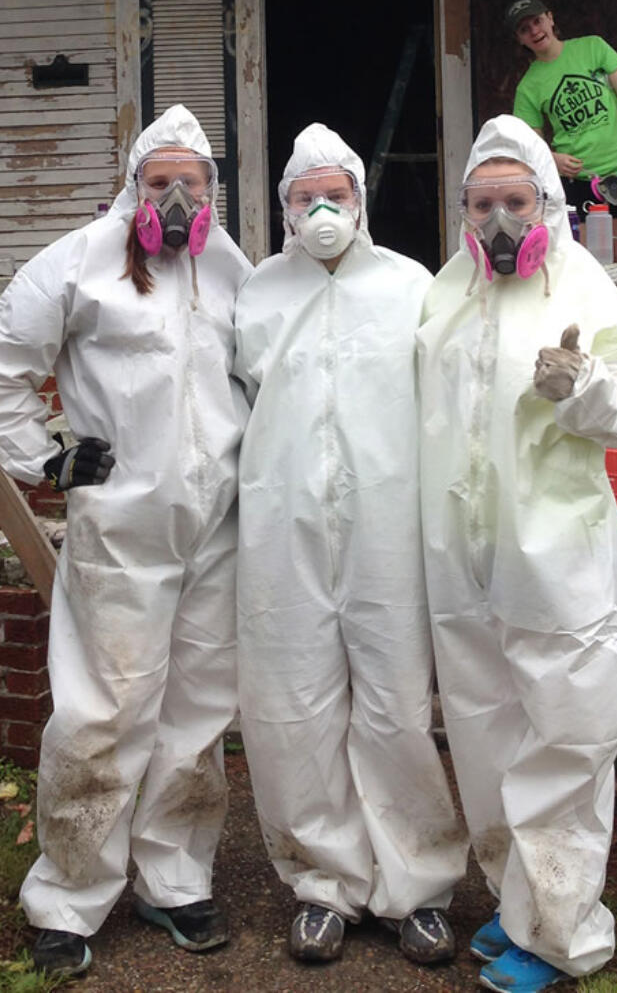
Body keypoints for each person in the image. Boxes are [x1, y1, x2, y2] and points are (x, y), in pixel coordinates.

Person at [0, 105, 251, 981]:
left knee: (198, 712)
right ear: (133, 188)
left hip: (218, 526)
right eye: (159, 182)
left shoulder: (227, 267)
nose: (174, 196)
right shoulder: (78, 263)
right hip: (122, 525)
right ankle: (69, 894)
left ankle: (174, 876)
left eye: (190, 183)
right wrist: (47, 457)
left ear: (211, 192)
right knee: (104, 708)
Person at [417, 116, 617, 992]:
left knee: (566, 737)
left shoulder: (582, 287)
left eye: (516, 201)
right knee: (485, 736)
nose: (498, 220)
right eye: (481, 203)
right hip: (466, 560)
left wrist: (585, 387)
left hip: (557, 557)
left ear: (547, 204)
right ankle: (516, 902)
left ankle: (562, 931)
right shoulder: (447, 292)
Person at [233, 124, 468, 967]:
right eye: (304, 198)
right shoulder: (255, 293)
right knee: (292, 708)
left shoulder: (411, 287)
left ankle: (419, 885)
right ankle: (323, 884)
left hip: (388, 528)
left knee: (396, 705)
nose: (320, 209)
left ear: (360, 201)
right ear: (284, 208)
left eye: (335, 194)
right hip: (280, 526)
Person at [506, 0, 617, 262]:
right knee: (587, 267)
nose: (535, 31)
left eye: (537, 21)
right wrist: (554, 159)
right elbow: (530, 142)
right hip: (579, 181)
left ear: (550, 18)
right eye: (525, 29)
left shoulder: (592, 47)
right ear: (520, 39)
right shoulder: (528, 87)